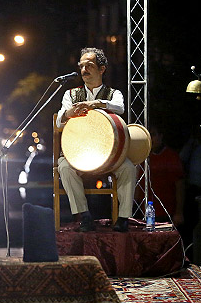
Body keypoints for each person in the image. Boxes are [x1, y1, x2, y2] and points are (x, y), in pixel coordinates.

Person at [56, 47, 136, 232]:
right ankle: (84, 216)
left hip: (108, 157)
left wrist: (97, 104)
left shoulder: (113, 94)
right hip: (78, 156)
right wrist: (69, 112)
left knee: (128, 168)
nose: (84, 70)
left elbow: (120, 108)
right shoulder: (70, 94)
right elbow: (60, 121)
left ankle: (123, 218)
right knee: (64, 167)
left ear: (102, 69)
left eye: (89, 65)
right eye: (81, 66)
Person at [137, 124, 185, 226]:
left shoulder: (171, 156)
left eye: (153, 135)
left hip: (166, 212)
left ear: (161, 136)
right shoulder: (142, 157)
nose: (151, 139)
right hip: (144, 211)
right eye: (148, 135)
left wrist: (179, 212)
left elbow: (179, 186)